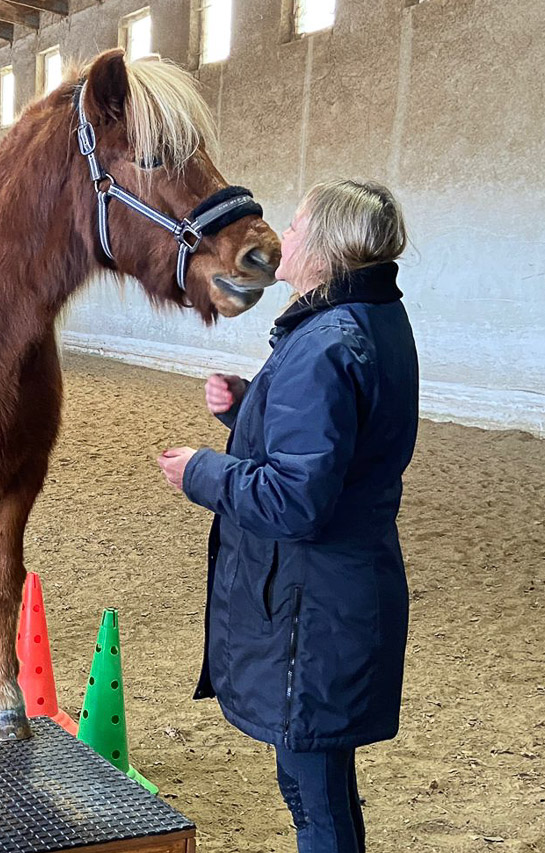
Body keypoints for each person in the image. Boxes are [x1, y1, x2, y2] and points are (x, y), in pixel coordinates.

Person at [157, 179, 418, 853]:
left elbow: (296, 498)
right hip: (338, 593)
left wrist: (203, 471)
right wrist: (248, 407)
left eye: (297, 225)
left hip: (315, 604)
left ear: (327, 248)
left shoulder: (327, 340)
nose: (284, 237)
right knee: (319, 783)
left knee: (314, 792)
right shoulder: (371, 320)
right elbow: (335, 441)